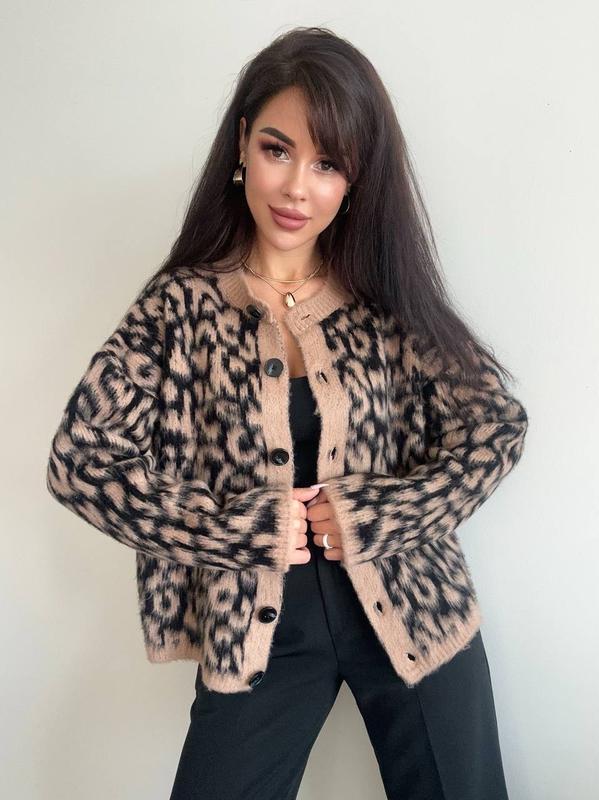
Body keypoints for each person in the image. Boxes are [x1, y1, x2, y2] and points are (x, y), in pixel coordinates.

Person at [46, 26, 529, 800]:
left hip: (412, 605)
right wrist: (235, 529)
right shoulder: (181, 307)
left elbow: (495, 426)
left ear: (355, 179)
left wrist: (381, 511)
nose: (297, 187)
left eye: (327, 163)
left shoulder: (386, 300)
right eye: (278, 149)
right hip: (258, 627)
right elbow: (80, 462)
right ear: (243, 143)